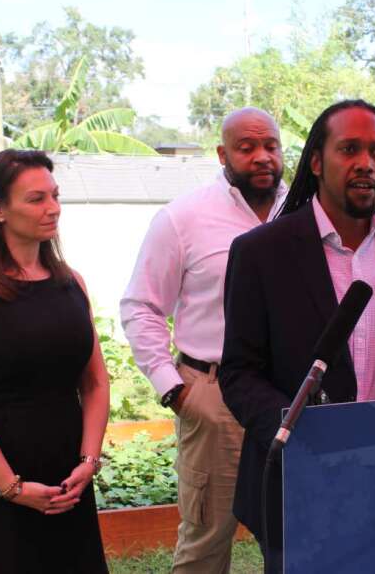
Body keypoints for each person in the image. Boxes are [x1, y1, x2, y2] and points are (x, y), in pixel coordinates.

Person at [218, 99, 375, 571]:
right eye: (350, 149)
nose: (366, 163)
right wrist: (302, 435)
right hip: (299, 483)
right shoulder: (261, 253)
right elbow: (240, 374)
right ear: (317, 162)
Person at [120, 107, 287, 573]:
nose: (261, 157)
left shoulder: (304, 215)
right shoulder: (183, 218)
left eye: (270, 146)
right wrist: (174, 389)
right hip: (214, 399)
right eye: (246, 147)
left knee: (299, 534)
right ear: (222, 153)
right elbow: (141, 306)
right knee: (205, 544)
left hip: (292, 400)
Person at [0, 149, 110, 574]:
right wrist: (11, 487)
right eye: (36, 199)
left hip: (67, 482)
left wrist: (88, 462)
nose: (53, 208)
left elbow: (95, 383)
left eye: (55, 195)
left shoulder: (73, 284)